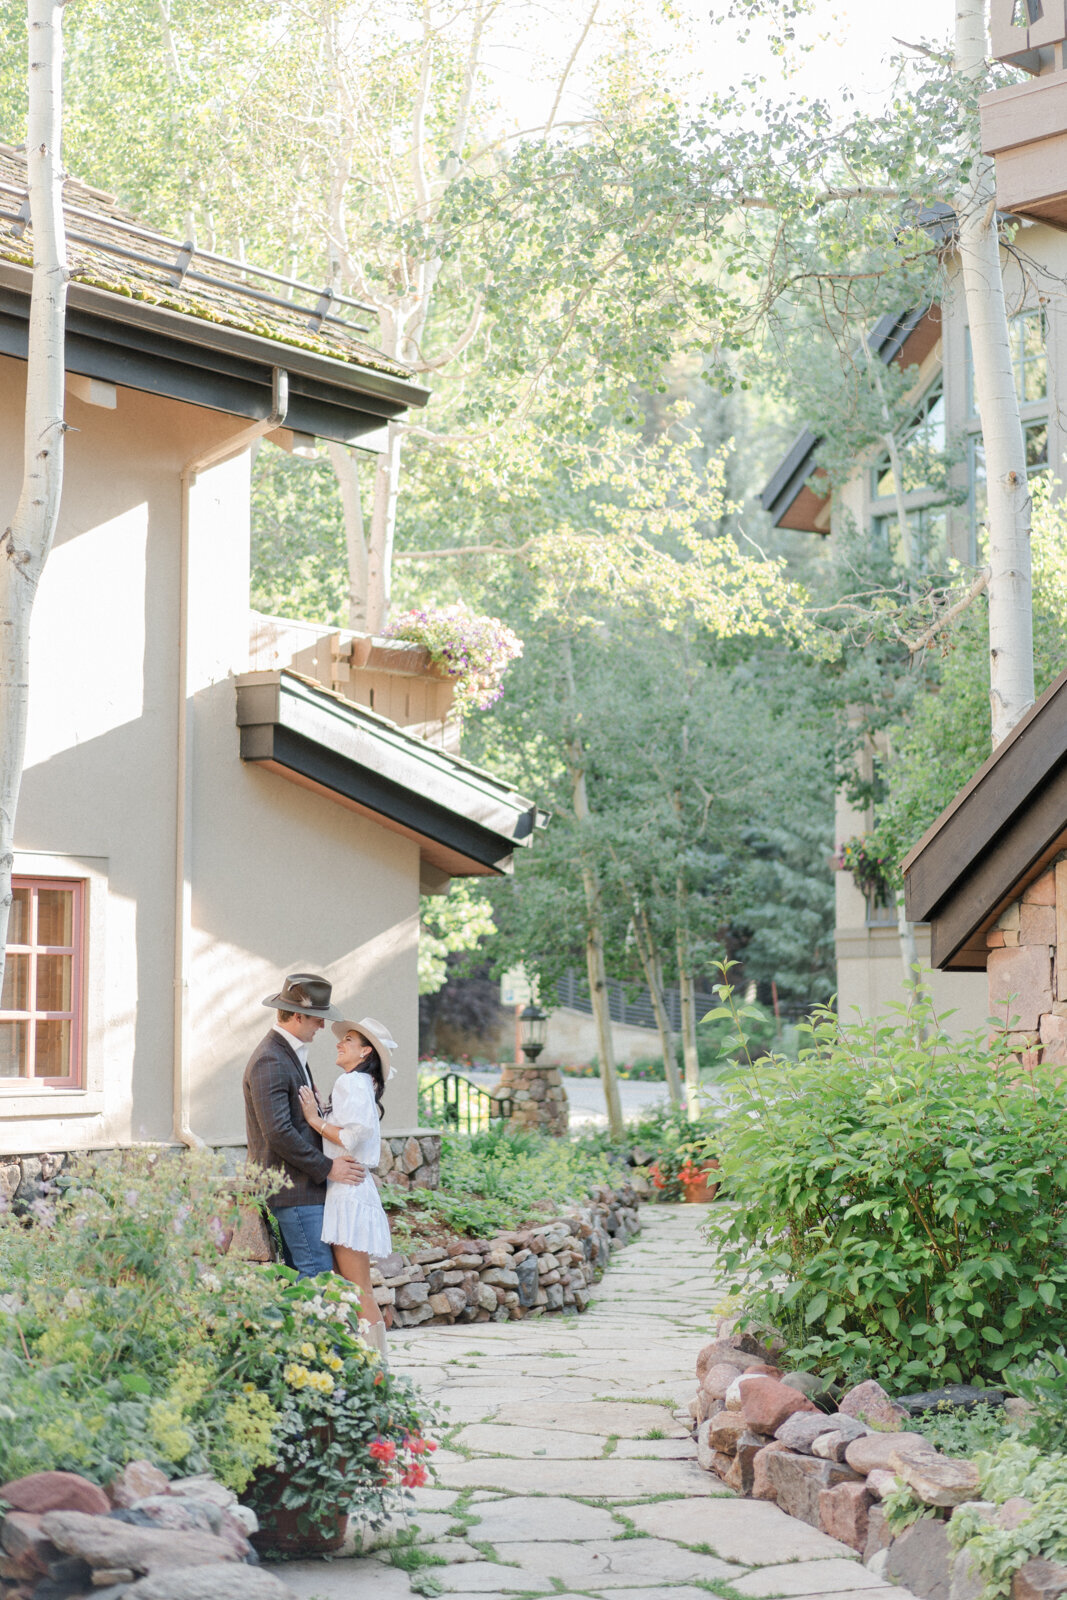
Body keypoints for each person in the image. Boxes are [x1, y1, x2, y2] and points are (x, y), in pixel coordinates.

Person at [243, 972, 366, 1278]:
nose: (323, 1026)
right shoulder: (270, 1059)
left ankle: (302, 1328)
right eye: (317, 1019)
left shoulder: (289, 1054)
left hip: (300, 1187)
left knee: (303, 1276)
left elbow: (292, 1122)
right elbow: (278, 1132)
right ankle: (314, 1328)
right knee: (316, 1275)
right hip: (292, 1189)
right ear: (297, 1016)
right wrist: (328, 1167)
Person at [299, 1015, 398, 1360]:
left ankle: (378, 1368)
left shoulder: (351, 1082)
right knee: (351, 1288)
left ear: (365, 1051)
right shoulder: (358, 1084)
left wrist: (314, 1119)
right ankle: (366, 1362)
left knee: (358, 1290)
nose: (340, 1043)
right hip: (350, 1190)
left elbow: (353, 1137)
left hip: (349, 1191)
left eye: (350, 1041)